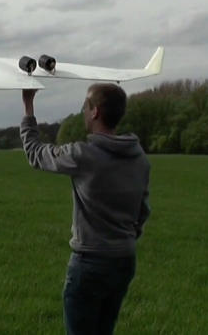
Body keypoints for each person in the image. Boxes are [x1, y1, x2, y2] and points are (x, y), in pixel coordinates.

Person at [19, 84, 151, 335]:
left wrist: (28, 106)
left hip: (90, 263)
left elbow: (35, 154)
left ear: (95, 112)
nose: (83, 111)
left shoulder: (82, 155)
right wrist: (126, 238)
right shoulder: (139, 158)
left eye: (85, 106)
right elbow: (143, 210)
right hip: (124, 260)